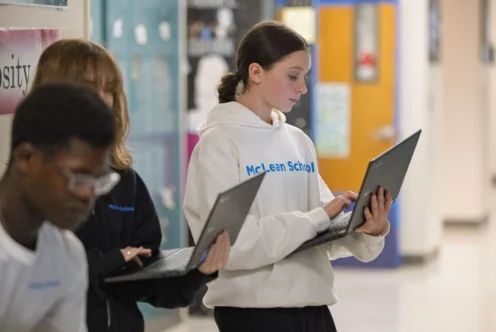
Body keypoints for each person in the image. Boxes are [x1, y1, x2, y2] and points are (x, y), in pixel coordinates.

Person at [183, 20, 392, 332]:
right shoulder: (218, 144)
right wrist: (316, 218)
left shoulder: (298, 141)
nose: (302, 87)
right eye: (293, 76)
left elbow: (322, 233)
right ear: (255, 72)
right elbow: (233, 245)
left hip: (315, 312)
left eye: (304, 77)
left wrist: (367, 229)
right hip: (254, 316)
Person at [32, 39, 231, 332]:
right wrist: (111, 261)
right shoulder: (32, 180)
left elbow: (144, 281)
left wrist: (199, 272)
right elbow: (37, 274)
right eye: (90, 88)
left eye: (109, 90)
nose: (103, 100)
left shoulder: (125, 180)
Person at [0, 82, 117, 332]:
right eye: (78, 177)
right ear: (27, 159)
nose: (89, 195)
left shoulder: (67, 255)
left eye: (98, 181)